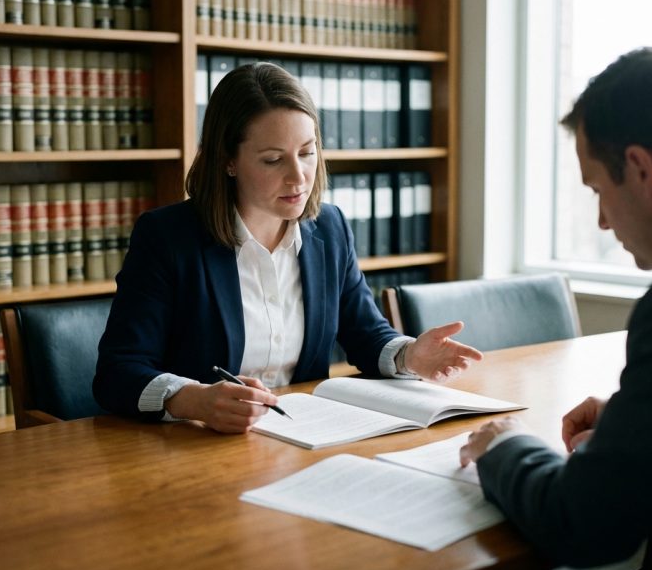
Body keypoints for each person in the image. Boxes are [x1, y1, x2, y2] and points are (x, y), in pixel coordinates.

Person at [459, 47, 652, 570]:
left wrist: (504, 446)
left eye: (598, 189)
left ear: (641, 169)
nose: (603, 221)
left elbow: (583, 525)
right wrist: (646, 420)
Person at [93, 62, 482, 433]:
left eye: (307, 152)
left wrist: (408, 355)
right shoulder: (167, 237)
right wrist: (193, 400)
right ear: (228, 161)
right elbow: (118, 371)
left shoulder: (329, 228)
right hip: (195, 446)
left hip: (304, 437)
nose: (299, 177)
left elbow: (366, 334)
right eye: (274, 159)